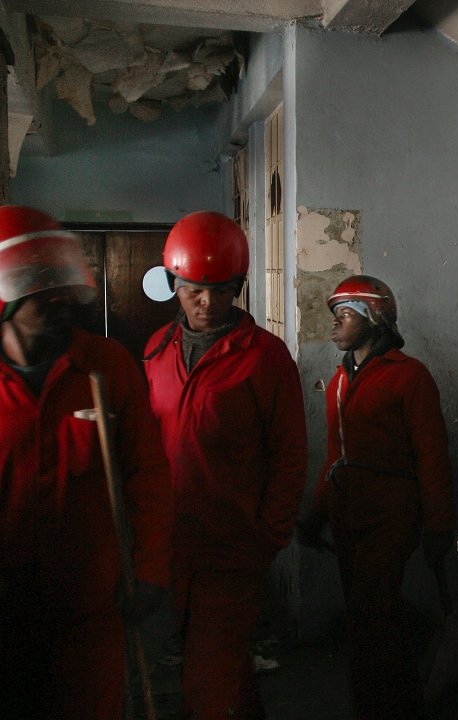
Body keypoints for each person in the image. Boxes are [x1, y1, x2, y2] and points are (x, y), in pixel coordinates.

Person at [0, 205, 173, 719]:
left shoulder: (105, 365)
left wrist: (148, 570)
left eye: (59, 282)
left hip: (92, 600)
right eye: (37, 285)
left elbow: (146, 473)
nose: (56, 298)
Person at [143, 210, 308, 720]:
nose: (209, 303)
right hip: (172, 542)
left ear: (238, 286)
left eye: (223, 289)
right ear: (174, 283)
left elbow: (290, 453)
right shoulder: (155, 350)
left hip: (234, 545)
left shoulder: (265, 357)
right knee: (221, 666)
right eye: (195, 289)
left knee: (207, 678)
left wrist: (269, 534)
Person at [310, 274, 456, 720]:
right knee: (363, 616)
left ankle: (395, 704)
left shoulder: (409, 377)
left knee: (375, 614)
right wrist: (313, 513)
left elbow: (432, 455)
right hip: (346, 514)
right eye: (335, 316)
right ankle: (371, 702)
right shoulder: (338, 383)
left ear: (375, 320)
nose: (336, 325)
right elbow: (336, 456)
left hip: (391, 515)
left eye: (347, 315)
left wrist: (437, 525)